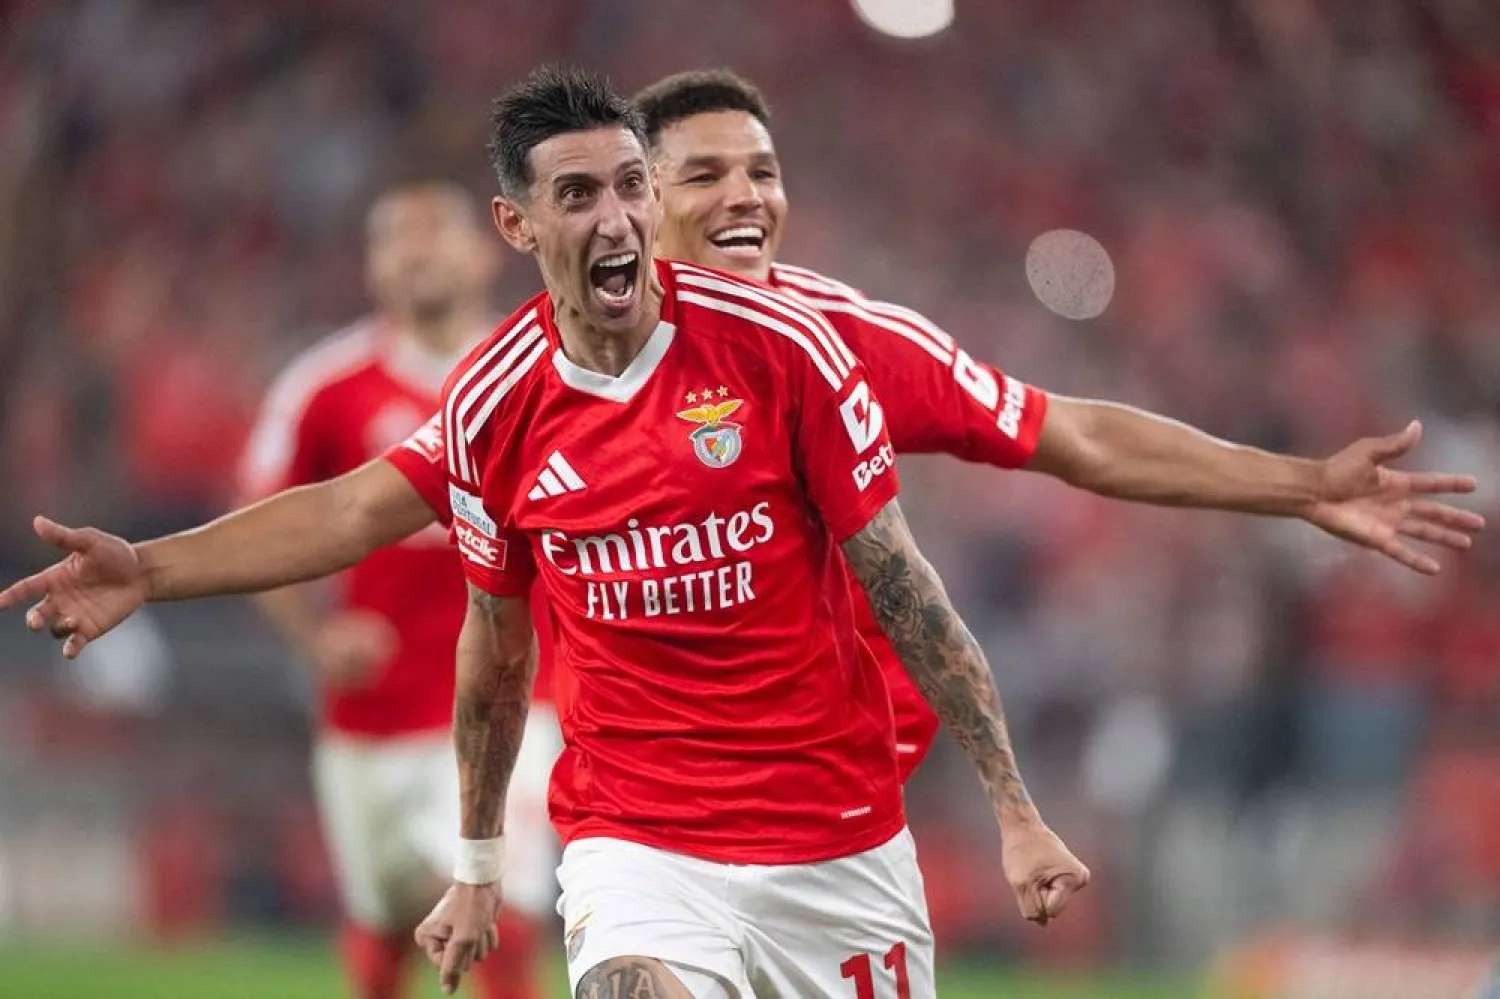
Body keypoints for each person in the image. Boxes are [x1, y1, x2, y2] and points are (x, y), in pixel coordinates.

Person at [0, 65, 1484, 987]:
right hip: (637, 822)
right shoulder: (515, 383)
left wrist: (1299, 481)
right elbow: (363, 505)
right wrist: (165, 564)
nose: (739, 197)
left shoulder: (836, 343)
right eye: (701, 170)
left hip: (840, 823)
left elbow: (1072, 435)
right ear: (586, 211)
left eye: (758, 170)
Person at [416, 64, 1087, 998]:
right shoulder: (489, 406)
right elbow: (494, 646)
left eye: (630, 186)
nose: (614, 220)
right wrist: (481, 866)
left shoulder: (785, 348)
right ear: (515, 224)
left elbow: (905, 591)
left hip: (834, 835)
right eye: (576, 194)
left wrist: (1015, 812)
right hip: (635, 839)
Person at [237, 180, 558, 999]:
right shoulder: (325, 386)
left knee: (507, 908)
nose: (415, 250)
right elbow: (258, 521)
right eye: (392, 238)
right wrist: (315, 640)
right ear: (371, 268)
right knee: (383, 925)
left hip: (517, 695)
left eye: (434, 232)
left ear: (488, 248)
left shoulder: (542, 372)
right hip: (373, 708)